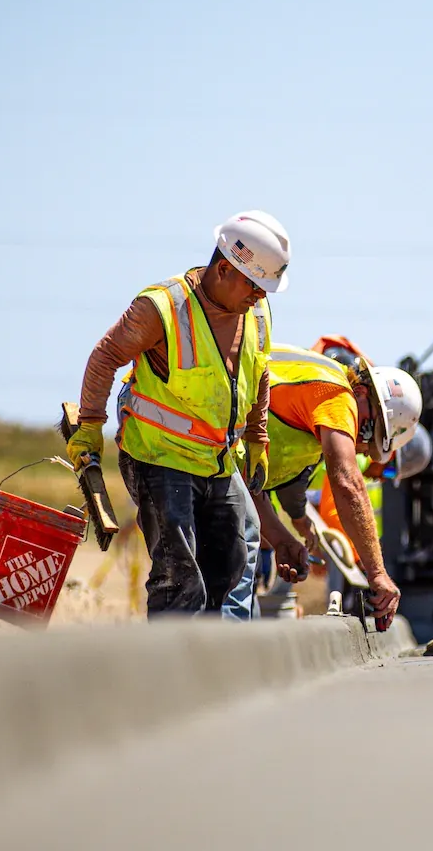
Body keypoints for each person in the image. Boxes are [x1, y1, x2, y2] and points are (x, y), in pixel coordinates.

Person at [67, 211, 313, 619]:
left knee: (234, 561)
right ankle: (172, 672)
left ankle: (213, 664)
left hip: (217, 460)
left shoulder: (256, 312)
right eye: (255, 285)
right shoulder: (163, 307)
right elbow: (104, 356)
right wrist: (91, 427)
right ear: (223, 269)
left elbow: (260, 371)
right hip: (159, 457)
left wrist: (257, 438)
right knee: (180, 577)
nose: (261, 297)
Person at [247, 340, 420, 620]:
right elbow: (347, 484)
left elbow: (252, 485)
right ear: (362, 393)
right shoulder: (338, 395)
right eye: (367, 430)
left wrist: (282, 540)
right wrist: (377, 574)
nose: (362, 445)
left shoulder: (315, 426)